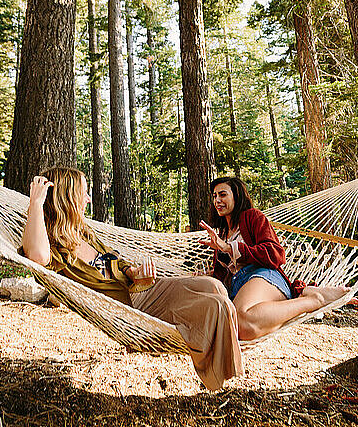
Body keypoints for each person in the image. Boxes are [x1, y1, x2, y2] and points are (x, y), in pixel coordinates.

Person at [20, 167, 243, 391]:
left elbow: (115, 261)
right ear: (66, 199)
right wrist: (36, 204)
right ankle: (220, 378)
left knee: (213, 285)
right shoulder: (54, 247)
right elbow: (37, 256)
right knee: (217, 305)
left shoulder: (83, 233)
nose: (88, 199)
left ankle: (221, 353)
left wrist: (134, 273)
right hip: (134, 309)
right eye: (84, 194)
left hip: (142, 289)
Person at [199, 176, 358, 342]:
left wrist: (228, 248)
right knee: (239, 328)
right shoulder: (222, 233)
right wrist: (206, 275)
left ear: (236, 195)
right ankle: (299, 298)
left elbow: (275, 253)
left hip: (263, 275)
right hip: (240, 286)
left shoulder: (252, 217)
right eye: (214, 196)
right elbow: (224, 276)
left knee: (239, 322)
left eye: (223, 194)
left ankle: (315, 301)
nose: (217, 200)